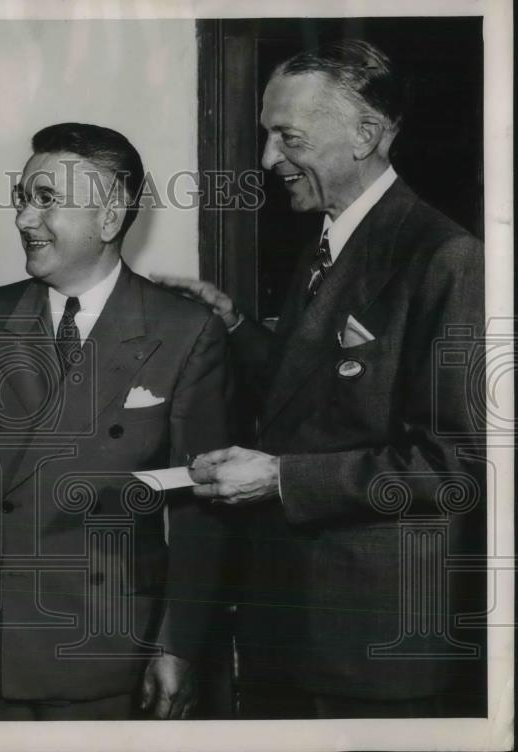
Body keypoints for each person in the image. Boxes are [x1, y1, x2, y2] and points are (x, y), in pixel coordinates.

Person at [161, 40, 484, 718]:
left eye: (288, 137)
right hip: (299, 631)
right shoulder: (334, 238)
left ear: (366, 134)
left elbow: (457, 465)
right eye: (266, 135)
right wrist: (231, 324)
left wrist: (281, 478)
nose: (268, 159)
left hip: (371, 651)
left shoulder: (447, 259)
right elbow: (321, 387)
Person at [0, 123, 230, 720]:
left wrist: (179, 645)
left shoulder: (186, 332)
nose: (23, 220)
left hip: (105, 646)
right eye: (21, 198)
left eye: (46, 201)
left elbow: (202, 511)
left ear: (110, 218)